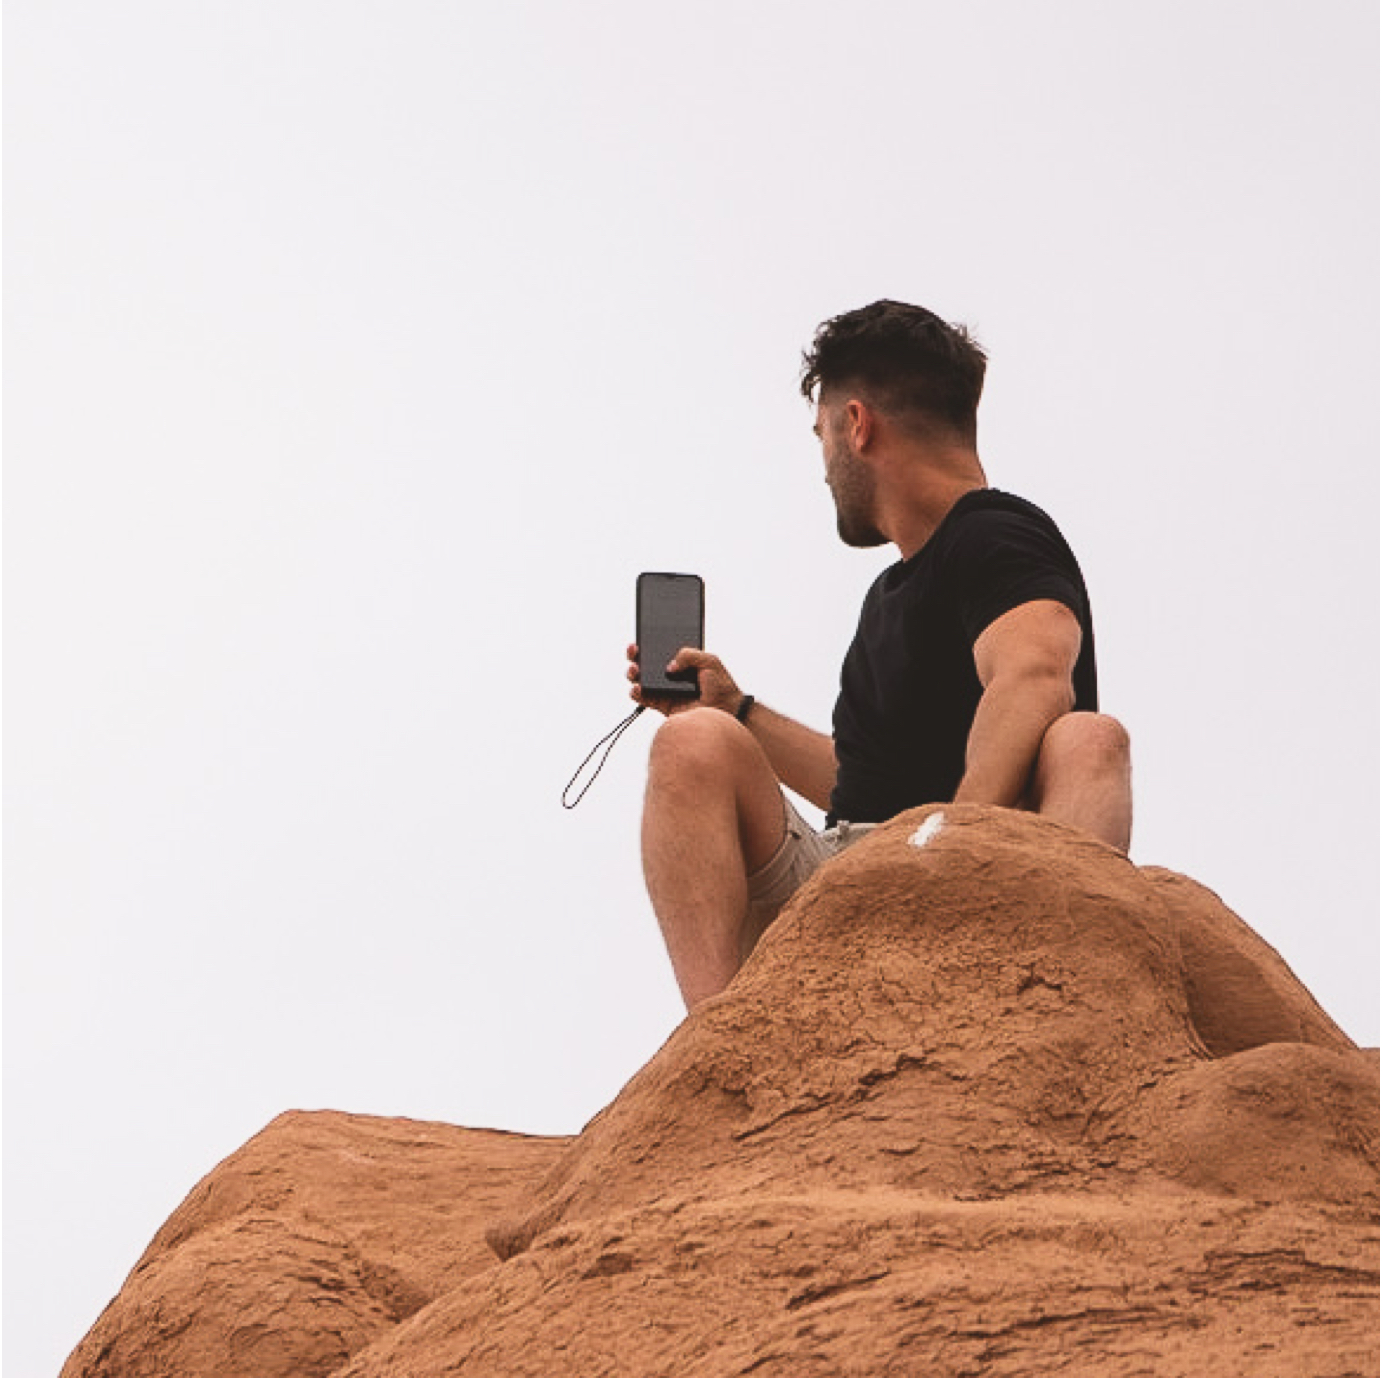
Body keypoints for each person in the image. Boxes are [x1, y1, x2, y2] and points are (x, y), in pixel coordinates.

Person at [627, 300, 1132, 1012]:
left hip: (984, 890)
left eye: (822, 435)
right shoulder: (889, 594)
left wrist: (942, 851)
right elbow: (864, 790)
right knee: (694, 742)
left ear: (857, 426)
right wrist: (735, 711)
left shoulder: (996, 536)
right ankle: (715, 1059)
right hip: (851, 879)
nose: (825, 467)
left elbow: (1035, 680)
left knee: (1087, 739)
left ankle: (1055, 1010)